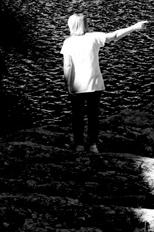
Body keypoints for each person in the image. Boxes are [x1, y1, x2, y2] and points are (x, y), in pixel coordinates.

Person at [61, 12, 149, 154]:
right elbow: (114, 36)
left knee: (78, 116)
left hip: (77, 86)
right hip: (95, 84)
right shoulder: (94, 37)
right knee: (93, 115)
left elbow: (68, 66)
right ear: (86, 25)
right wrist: (134, 27)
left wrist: (68, 84)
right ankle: (93, 145)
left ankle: (78, 145)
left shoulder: (68, 42)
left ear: (70, 25)